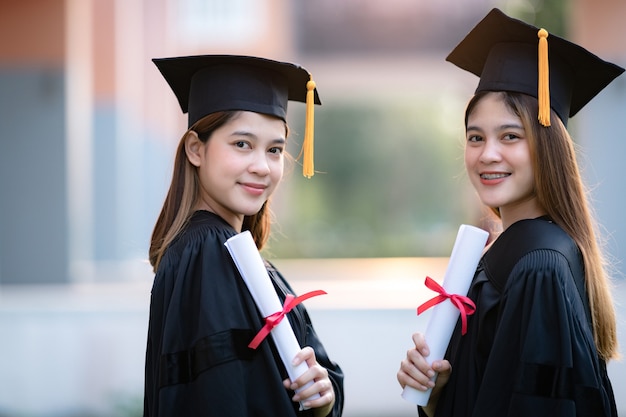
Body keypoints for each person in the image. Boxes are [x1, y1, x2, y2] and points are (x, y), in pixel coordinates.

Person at [397, 8, 624, 417]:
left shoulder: (540, 266)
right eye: (475, 137)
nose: (488, 154)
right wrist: (434, 397)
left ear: (549, 146)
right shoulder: (511, 251)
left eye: (510, 136)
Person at [144, 55, 344, 417]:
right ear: (195, 149)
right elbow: (225, 396)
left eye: (275, 150)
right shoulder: (207, 253)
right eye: (241, 144)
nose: (261, 166)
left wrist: (322, 395)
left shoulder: (231, 254)